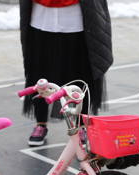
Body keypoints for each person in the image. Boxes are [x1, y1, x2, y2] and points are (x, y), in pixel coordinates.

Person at [20, 0, 112, 146]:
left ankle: (82, 126)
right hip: (42, 19)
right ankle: (40, 124)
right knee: (40, 74)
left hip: (77, 22)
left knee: (82, 75)